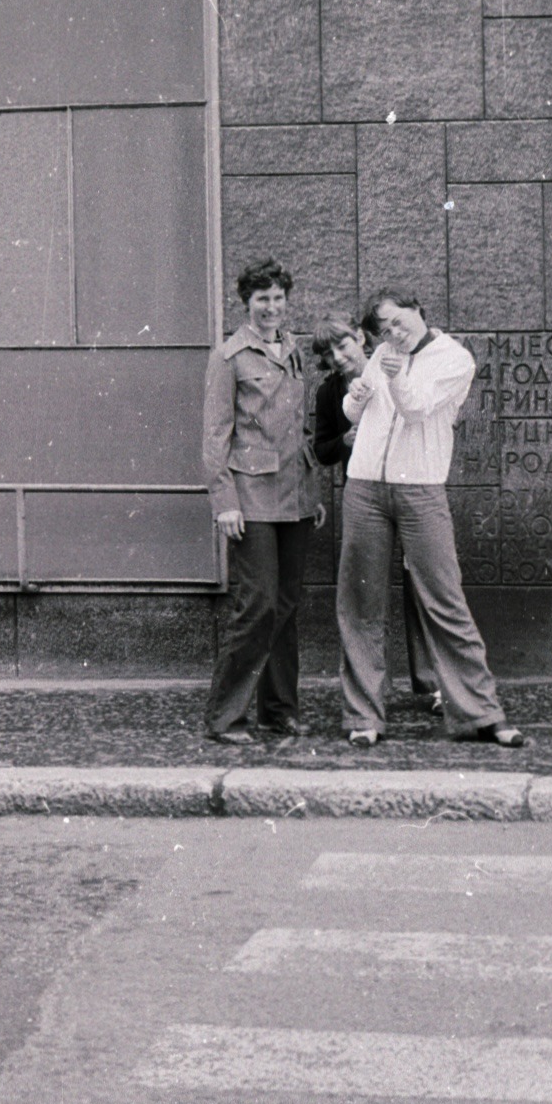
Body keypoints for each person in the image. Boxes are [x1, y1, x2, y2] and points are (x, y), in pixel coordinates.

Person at [335, 283, 523, 748]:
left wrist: (395, 375)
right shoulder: (381, 356)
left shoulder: (455, 358)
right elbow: (353, 415)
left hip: (420, 488)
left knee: (444, 600)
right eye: (384, 328)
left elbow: (416, 408)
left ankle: (481, 712)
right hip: (364, 487)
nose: (394, 333)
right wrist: (356, 397)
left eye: (400, 321)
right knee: (360, 604)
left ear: (419, 311)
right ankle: (364, 716)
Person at [202, 257, 324, 744]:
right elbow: (215, 437)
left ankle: (280, 711)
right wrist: (224, 501)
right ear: (247, 303)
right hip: (250, 498)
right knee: (257, 605)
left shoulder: (293, 350)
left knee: (287, 606)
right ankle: (224, 717)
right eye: (262, 300)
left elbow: (301, 430)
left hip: (294, 497)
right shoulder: (229, 356)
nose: (271, 308)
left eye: (278, 299)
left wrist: (311, 493)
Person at [311, 313, 442, 714]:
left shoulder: (392, 363)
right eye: (329, 352)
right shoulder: (330, 391)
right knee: (366, 592)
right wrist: (344, 440)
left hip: (412, 484)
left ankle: (434, 685)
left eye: (343, 343)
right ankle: (371, 691)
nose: (338, 356)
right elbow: (322, 448)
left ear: (360, 337)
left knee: (422, 584)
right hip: (366, 492)